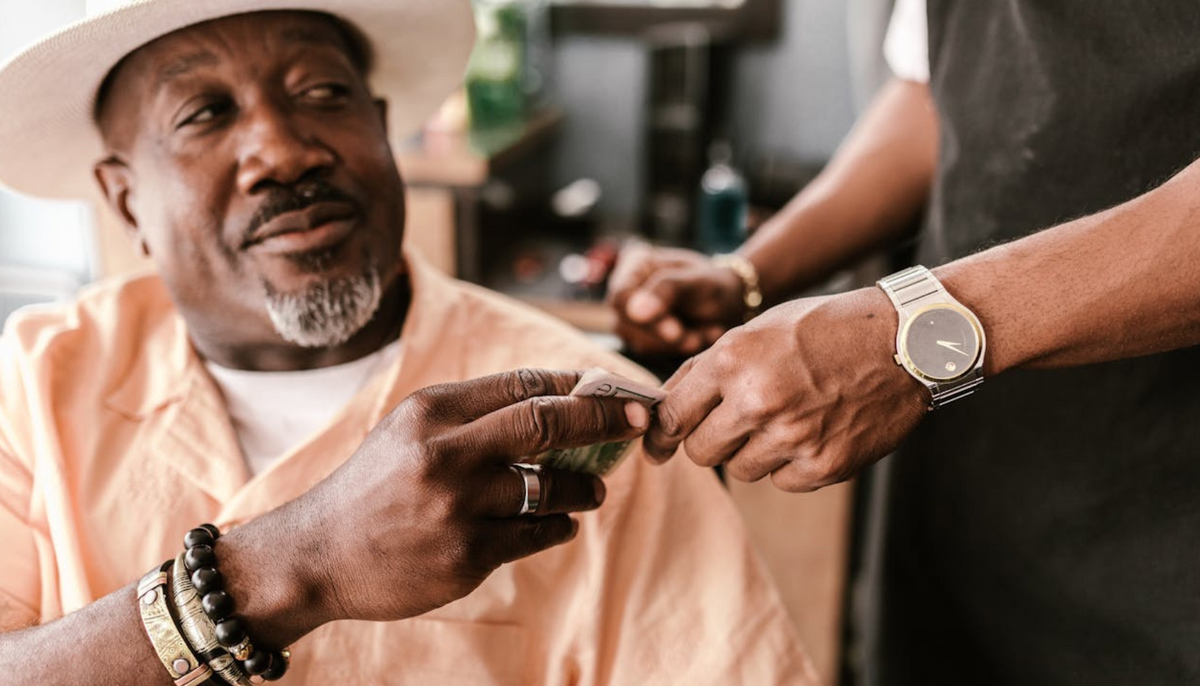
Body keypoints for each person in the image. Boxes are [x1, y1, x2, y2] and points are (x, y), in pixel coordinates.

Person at [0, 2, 818, 684]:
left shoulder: (583, 420)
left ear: (382, 126)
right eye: (205, 114)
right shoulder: (36, 381)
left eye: (324, 92)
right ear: (125, 199)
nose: (284, 152)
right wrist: (294, 566)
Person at [609, 0, 1200, 683]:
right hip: (963, 495)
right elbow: (934, 94)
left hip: (1167, 523)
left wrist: (912, 335)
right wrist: (747, 274)